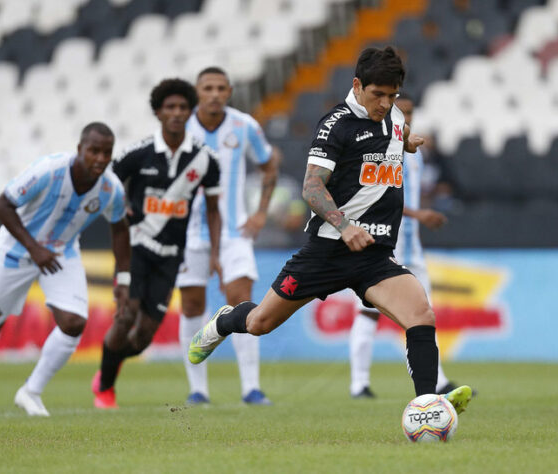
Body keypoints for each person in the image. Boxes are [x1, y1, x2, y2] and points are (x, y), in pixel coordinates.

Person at [188, 47, 473, 413]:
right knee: (260, 322)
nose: (385, 103)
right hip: (327, 251)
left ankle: (426, 405)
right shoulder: (335, 125)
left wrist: (409, 142)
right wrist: (345, 226)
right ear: (357, 85)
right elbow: (311, 187)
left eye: (392, 95)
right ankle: (226, 320)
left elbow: (392, 137)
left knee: (421, 315)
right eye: (378, 95)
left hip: (374, 256)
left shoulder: (396, 118)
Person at [0, 122, 130, 416]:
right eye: (94, 151)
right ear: (79, 150)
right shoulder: (49, 171)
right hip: (16, 251)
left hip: (60, 252)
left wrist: (123, 279)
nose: (100, 158)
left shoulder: (110, 189)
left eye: (107, 152)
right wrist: (34, 248)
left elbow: (120, 229)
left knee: (74, 323)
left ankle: (31, 391)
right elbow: (1, 205)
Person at [91, 78, 222, 409]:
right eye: (170, 108)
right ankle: (105, 388)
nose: (176, 114)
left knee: (143, 336)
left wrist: (215, 253)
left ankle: (112, 361)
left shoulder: (206, 160)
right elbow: (107, 185)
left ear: (191, 112)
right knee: (125, 316)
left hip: (171, 257)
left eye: (182, 108)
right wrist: (122, 209)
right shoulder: (138, 154)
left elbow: (213, 210)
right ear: (158, 112)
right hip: (135, 249)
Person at [349, 93, 464, 399]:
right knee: (368, 313)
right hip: (383, 245)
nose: (408, 119)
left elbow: (408, 195)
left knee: (423, 314)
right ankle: (358, 383)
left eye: (412, 113)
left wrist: (417, 219)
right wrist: (419, 214)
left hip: (412, 249)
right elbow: (375, 198)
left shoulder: (416, 150)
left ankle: (437, 382)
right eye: (403, 112)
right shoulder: (376, 148)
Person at [176, 67, 280, 405]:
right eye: (208, 88)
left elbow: (269, 163)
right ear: (197, 91)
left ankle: (251, 387)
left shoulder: (244, 125)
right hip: (189, 233)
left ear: (230, 91)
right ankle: (198, 389)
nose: (215, 94)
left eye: (221, 88)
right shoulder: (179, 127)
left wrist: (261, 211)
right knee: (192, 304)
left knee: (242, 299)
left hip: (234, 231)